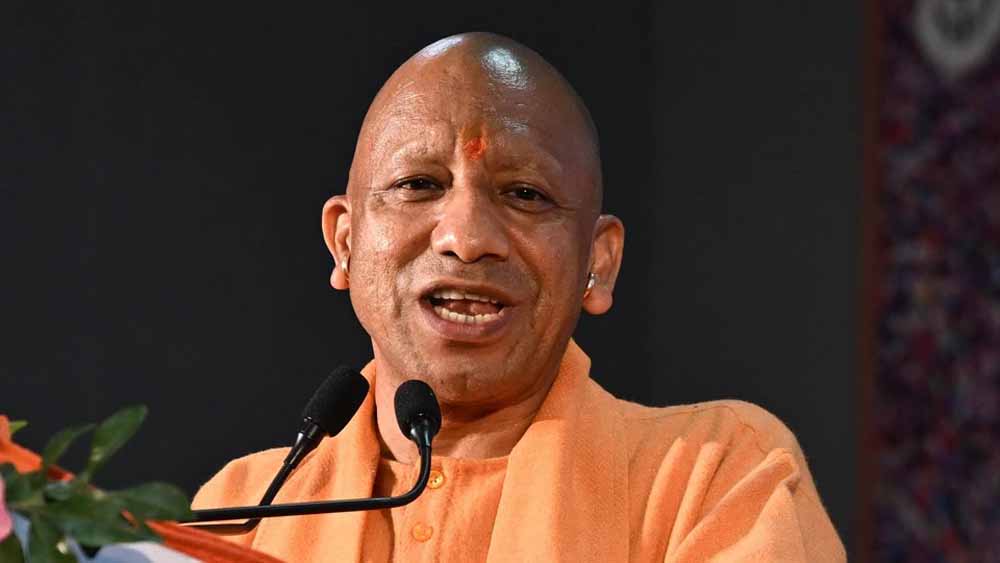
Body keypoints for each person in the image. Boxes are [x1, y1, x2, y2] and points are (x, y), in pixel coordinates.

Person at [192, 32, 846, 562]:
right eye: (419, 184)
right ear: (345, 242)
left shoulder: (712, 477)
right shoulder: (244, 512)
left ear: (598, 262)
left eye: (526, 194)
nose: (467, 238)